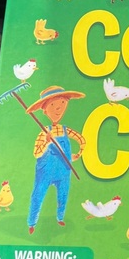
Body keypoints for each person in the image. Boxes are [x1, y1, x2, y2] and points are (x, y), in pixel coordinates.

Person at [26, 86, 86, 234]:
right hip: (45, 172)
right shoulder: (43, 133)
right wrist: (47, 142)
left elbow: (81, 139)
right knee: (38, 195)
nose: (58, 108)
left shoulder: (65, 130)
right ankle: (32, 223)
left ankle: (60, 218)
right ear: (45, 110)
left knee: (63, 195)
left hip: (64, 171)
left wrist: (78, 154)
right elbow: (36, 153)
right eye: (53, 104)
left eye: (63, 103)